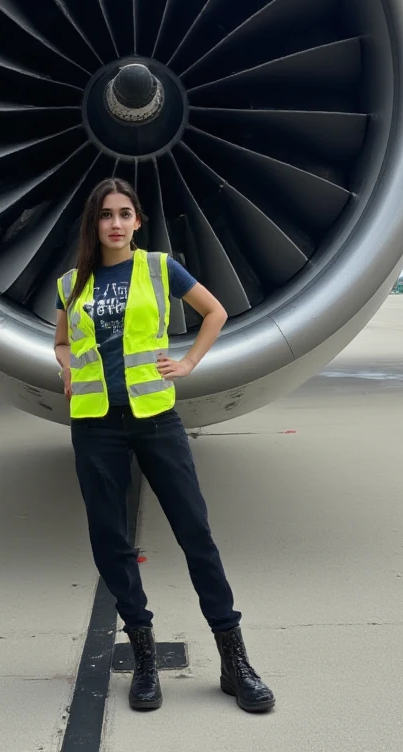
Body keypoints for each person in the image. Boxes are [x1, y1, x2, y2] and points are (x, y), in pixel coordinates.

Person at [54, 177, 275, 714]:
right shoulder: (70, 283)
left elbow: (215, 311)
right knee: (111, 542)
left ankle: (234, 659)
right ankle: (145, 658)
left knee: (195, 533)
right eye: (106, 214)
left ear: (137, 221)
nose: (115, 223)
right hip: (96, 425)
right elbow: (61, 341)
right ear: (94, 222)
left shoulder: (157, 267)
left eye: (125, 213)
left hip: (156, 417)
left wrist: (189, 362)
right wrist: (66, 368)